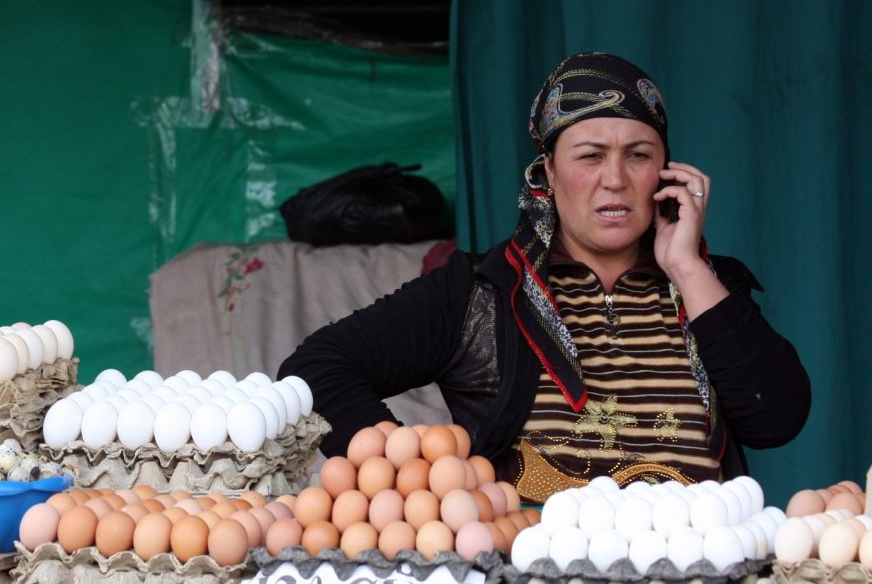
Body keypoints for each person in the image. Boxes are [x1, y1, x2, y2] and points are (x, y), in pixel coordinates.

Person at [277, 52, 810, 502]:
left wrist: (688, 267)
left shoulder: (706, 290)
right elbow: (316, 369)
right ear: (549, 172)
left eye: (639, 155)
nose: (615, 179)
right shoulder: (482, 291)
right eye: (590, 156)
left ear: (666, 173)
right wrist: (415, 481)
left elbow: (776, 420)